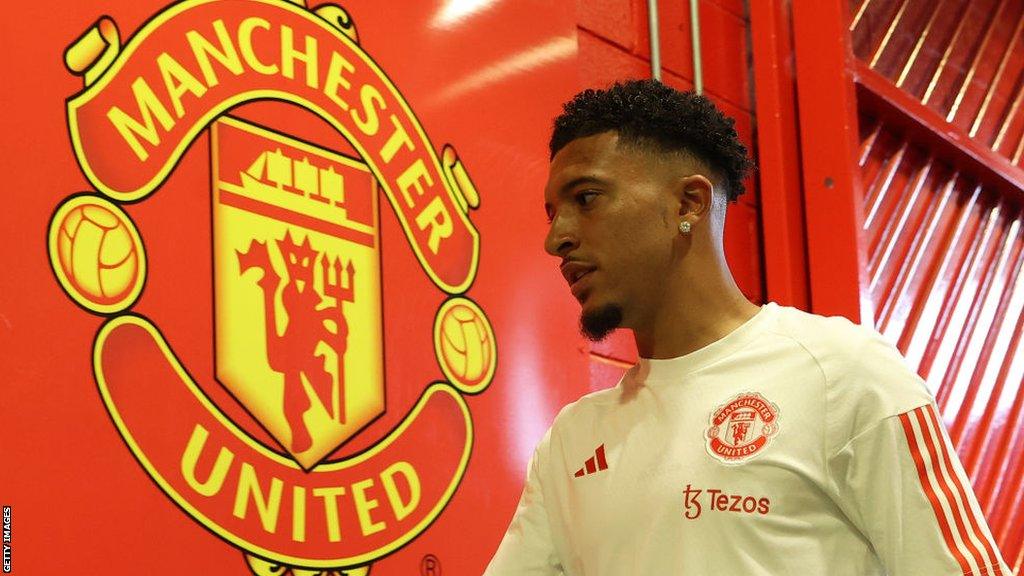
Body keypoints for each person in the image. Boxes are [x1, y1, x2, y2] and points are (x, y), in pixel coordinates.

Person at [484, 80, 1010, 575]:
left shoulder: (841, 373)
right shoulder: (573, 439)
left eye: (586, 198)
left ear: (689, 201)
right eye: (552, 214)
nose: (557, 239)